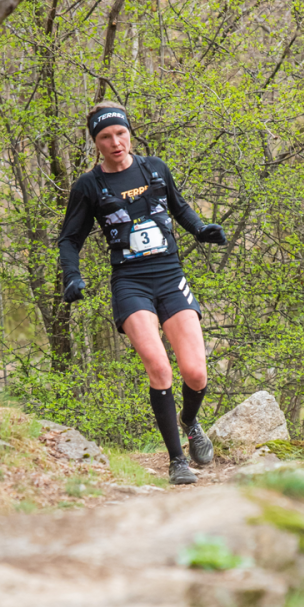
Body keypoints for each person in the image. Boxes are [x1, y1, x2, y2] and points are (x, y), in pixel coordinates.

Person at [56, 101, 227, 485]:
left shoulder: (155, 169)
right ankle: (176, 460)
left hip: (170, 277)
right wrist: (72, 276)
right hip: (130, 283)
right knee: (159, 368)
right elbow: (69, 239)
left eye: (120, 133)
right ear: (96, 143)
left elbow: (180, 209)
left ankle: (190, 420)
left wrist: (201, 230)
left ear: (129, 133)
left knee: (196, 374)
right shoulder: (89, 186)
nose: (115, 142)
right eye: (105, 136)